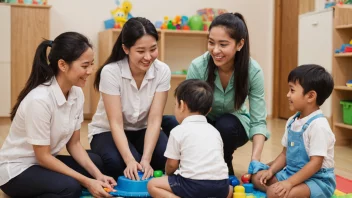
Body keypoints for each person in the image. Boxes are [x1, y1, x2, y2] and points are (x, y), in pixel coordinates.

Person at [0, 32, 116, 198]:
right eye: (85, 66)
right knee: (71, 188)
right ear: (62, 65)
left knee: (96, 163)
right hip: (18, 170)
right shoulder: (40, 100)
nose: (90, 71)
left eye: (92, 64)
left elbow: (74, 144)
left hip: (42, 164)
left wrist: (98, 176)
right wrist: (87, 181)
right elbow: (43, 157)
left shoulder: (76, 93)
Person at [162, 12, 270, 175]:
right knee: (170, 122)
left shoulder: (252, 71)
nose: (215, 50)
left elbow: (258, 121)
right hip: (203, 122)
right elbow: (188, 113)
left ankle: (224, 165)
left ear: (240, 44)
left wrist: (255, 159)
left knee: (225, 125)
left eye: (223, 44)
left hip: (233, 125)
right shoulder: (199, 66)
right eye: (211, 43)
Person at [88, 17, 171, 181]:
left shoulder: (162, 71)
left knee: (165, 158)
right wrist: (130, 160)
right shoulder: (111, 72)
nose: (148, 57)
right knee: (119, 165)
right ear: (126, 49)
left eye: (153, 49)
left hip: (142, 129)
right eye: (141, 51)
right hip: (108, 131)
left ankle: (140, 156)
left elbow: (155, 120)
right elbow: (116, 123)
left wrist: (146, 159)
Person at [251, 64, 336, 198]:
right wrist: (271, 171)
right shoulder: (292, 121)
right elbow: (285, 154)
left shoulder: (319, 126)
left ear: (310, 96)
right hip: (291, 173)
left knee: (274, 193)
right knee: (257, 177)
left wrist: (289, 183)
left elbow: (316, 163)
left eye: (292, 90)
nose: (287, 94)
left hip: (317, 180)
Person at [148, 79, 232, 198]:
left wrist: (168, 175)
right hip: (220, 186)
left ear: (182, 105)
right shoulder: (215, 131)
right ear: (209, 110)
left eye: (175, 105)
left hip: (193, 185)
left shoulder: (178, 131)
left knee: (153, 185)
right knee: (230, 189)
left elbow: (172, 165)